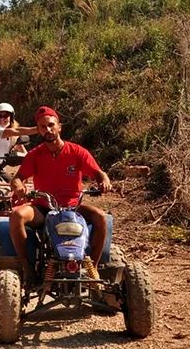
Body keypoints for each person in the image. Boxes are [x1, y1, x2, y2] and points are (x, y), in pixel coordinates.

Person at [8, 106, 113, 281]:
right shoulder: (35, 155)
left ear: (59, 127)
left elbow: (98, 173)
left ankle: (92, 268)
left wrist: (104, 180)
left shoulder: (77, 152)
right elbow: (17, 178)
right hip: (44, 207)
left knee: (101, 217)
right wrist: (18, 186)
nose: (47, 130)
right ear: (39, 130)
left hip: (74, 207)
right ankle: (27, 267)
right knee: (16, 215)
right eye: (42, 127)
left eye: (51, 125)